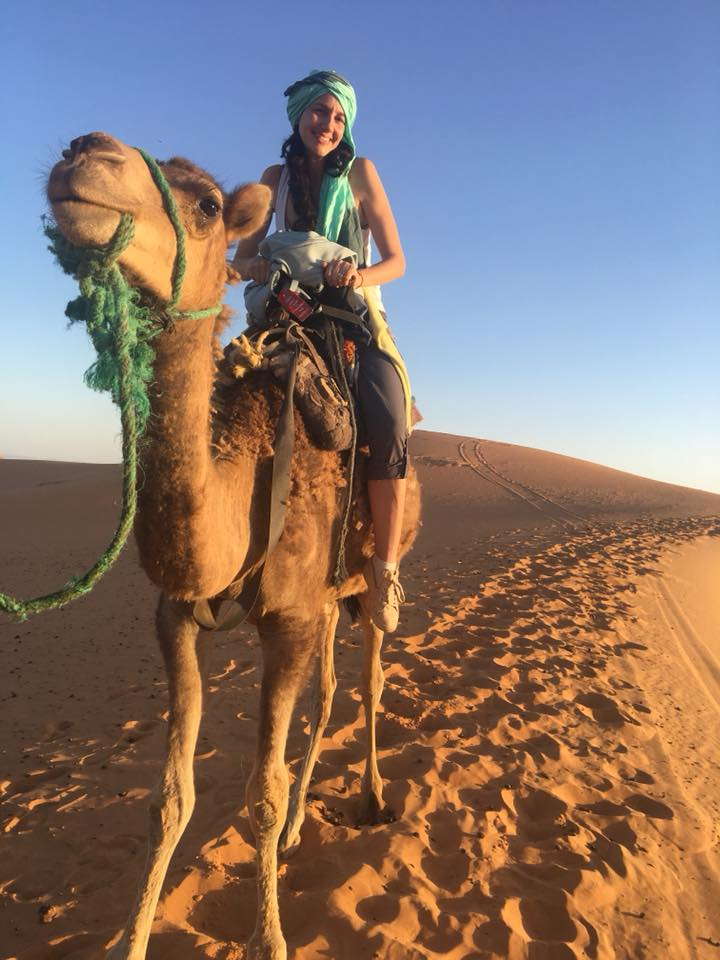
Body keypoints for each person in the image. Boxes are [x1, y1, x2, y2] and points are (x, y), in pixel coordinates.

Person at [233, 69, 411, 633]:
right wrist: (256, 264)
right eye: (319, 112)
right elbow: (238, 260)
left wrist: (358, 274)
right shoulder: (272, 178)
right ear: (299, 116)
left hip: (348, 318)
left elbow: (398, 261)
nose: (328, 125)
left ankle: (384, 569)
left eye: (338, 117)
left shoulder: (361, 172)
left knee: (388, 423)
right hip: (281, 313)